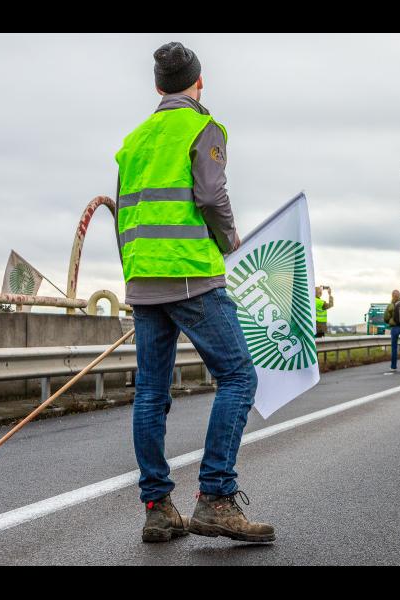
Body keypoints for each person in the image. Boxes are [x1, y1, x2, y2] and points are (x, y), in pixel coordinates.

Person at [117, 42, 274, 544]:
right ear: (198, 82)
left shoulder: (134, 140)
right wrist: (230, 239)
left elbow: (123, 212)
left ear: (158, 86)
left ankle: (158, 508)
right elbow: (210, 194)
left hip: (144, 280)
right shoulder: (203, 127)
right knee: (238, 376)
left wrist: (136, 275)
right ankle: (216, 498)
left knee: (150, 393)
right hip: (190, 275)